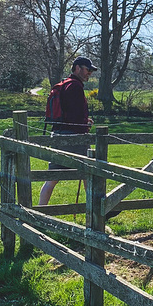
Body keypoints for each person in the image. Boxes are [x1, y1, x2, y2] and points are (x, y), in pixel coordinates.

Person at [39, 57, 98, 205]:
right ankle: (97, 209)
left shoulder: (64, 84)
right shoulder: (75, 87)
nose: (89, 73)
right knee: (88, 171)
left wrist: (84, 122)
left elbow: (67, 113)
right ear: (77, 68)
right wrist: (85, 124)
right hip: (74, 138)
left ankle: (39, 209)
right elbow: (74, 115)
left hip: (58, 135)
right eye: (87, 69)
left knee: (52, 177)